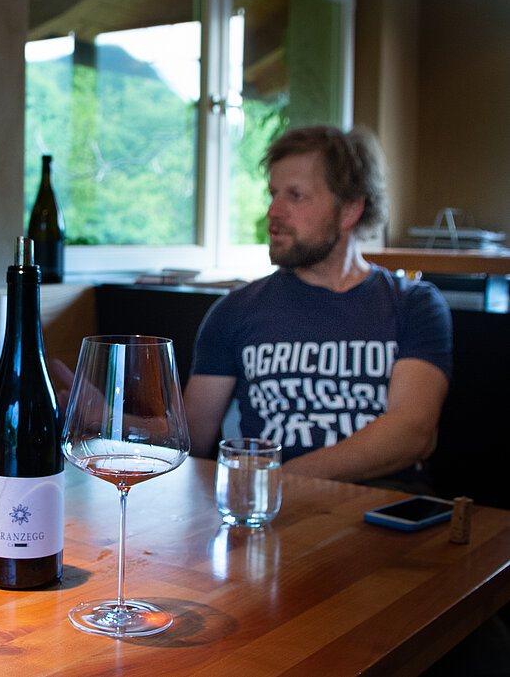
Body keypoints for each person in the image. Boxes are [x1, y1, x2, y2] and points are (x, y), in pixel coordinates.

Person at [184, 125, 452, 485]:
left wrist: (272, 484)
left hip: (382, 522)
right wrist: (96, 412)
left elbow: (411, 433)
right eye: (273, 193)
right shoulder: (235, 310)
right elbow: (191, 439)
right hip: (270, 524)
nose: (273, 211)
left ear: (349, 211)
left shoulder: (414, 305)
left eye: (295, 196)